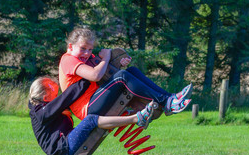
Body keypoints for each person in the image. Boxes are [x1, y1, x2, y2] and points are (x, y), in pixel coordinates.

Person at [58, 26, 193, 121]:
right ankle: (168, 102)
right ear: (70, 46)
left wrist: (119, 64)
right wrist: (105, 57)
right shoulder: (68, 60)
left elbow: (105, 73)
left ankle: (170, 98)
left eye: (90, 49)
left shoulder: (87, 58)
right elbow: (95, 75)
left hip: (97, 99)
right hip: (88, 109)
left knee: (130, 71)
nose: (87, 53)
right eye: (83, 48)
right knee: (122, 76)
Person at [28, 77, 155, 155]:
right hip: (63, 149)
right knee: (91, 120)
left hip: (66, 144)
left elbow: (69, 100)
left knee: (95, 116)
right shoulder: (40, 113)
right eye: (55, 95)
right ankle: (137, 118)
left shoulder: (45, 110)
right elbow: (67, 97)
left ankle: (133, 112)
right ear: (45, 98)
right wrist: (87, 79)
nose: (57, 97)